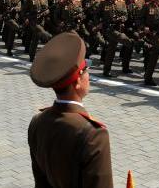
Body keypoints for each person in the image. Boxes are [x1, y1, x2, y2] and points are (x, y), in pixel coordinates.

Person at [28, 32, 113, 188]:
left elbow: (40, 182)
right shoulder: (94, 135)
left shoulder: (37, 121)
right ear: (78, 81)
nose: (89, 75)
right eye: (86, 69)